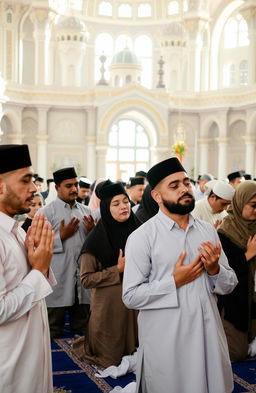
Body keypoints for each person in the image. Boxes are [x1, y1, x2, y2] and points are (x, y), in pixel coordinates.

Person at [122, 157, 238, 393]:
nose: (185, 189)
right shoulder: (142, 237)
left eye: (186, 182)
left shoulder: (207, 230)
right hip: (166, 338)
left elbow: (229, 284)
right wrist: (174, 281)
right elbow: (131, 296)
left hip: (207, 334)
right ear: (156, 196)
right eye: (174, 186)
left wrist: (215, 270)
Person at [0, 144, 55, 393]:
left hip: (30, 355)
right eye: (26, 180)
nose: (34, 188)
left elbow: (35, 281)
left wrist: (41, 261)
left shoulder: (15, 231)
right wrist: (38, 271)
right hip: (10, 366)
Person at [73, 180, 140, 367]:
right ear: (105, 208)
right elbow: (86, 280)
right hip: (110, 308)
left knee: (140, 352)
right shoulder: (95, 241)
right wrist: (116, 270)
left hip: (137, 303)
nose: (123, 207)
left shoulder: (140, 230)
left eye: (125, 201)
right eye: (116, 204)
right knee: (111, 359)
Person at [38, 166, 95, 339]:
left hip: (81, 278)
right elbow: (36, 245)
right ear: (56, 188)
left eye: (75, 185)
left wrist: (92, 232)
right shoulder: (46, 213)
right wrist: (60, 236)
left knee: (83, 330)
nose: (74, 189)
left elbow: (95, 246)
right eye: (68, 185)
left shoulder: (87, 212)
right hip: (58, 279)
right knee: (52, 332)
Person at [217, 181, 256, 361]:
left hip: (253, 294)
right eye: (253, 206)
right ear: (240, 202)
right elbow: (222, 271)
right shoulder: (225, 231)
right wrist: (248, 255)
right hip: (234, 299)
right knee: (237, 353)